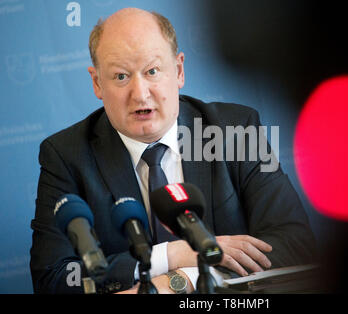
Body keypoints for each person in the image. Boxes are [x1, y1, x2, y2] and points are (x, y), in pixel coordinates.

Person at [30, 8, 316, 294]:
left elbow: (295, 243)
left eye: (152, 71)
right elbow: (54, 279)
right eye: (120, 76)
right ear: (97, 83)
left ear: (178, 71)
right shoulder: (66, 156)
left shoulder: (237, 131)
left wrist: (184, 280)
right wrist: (171, 255)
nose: (140, 94)